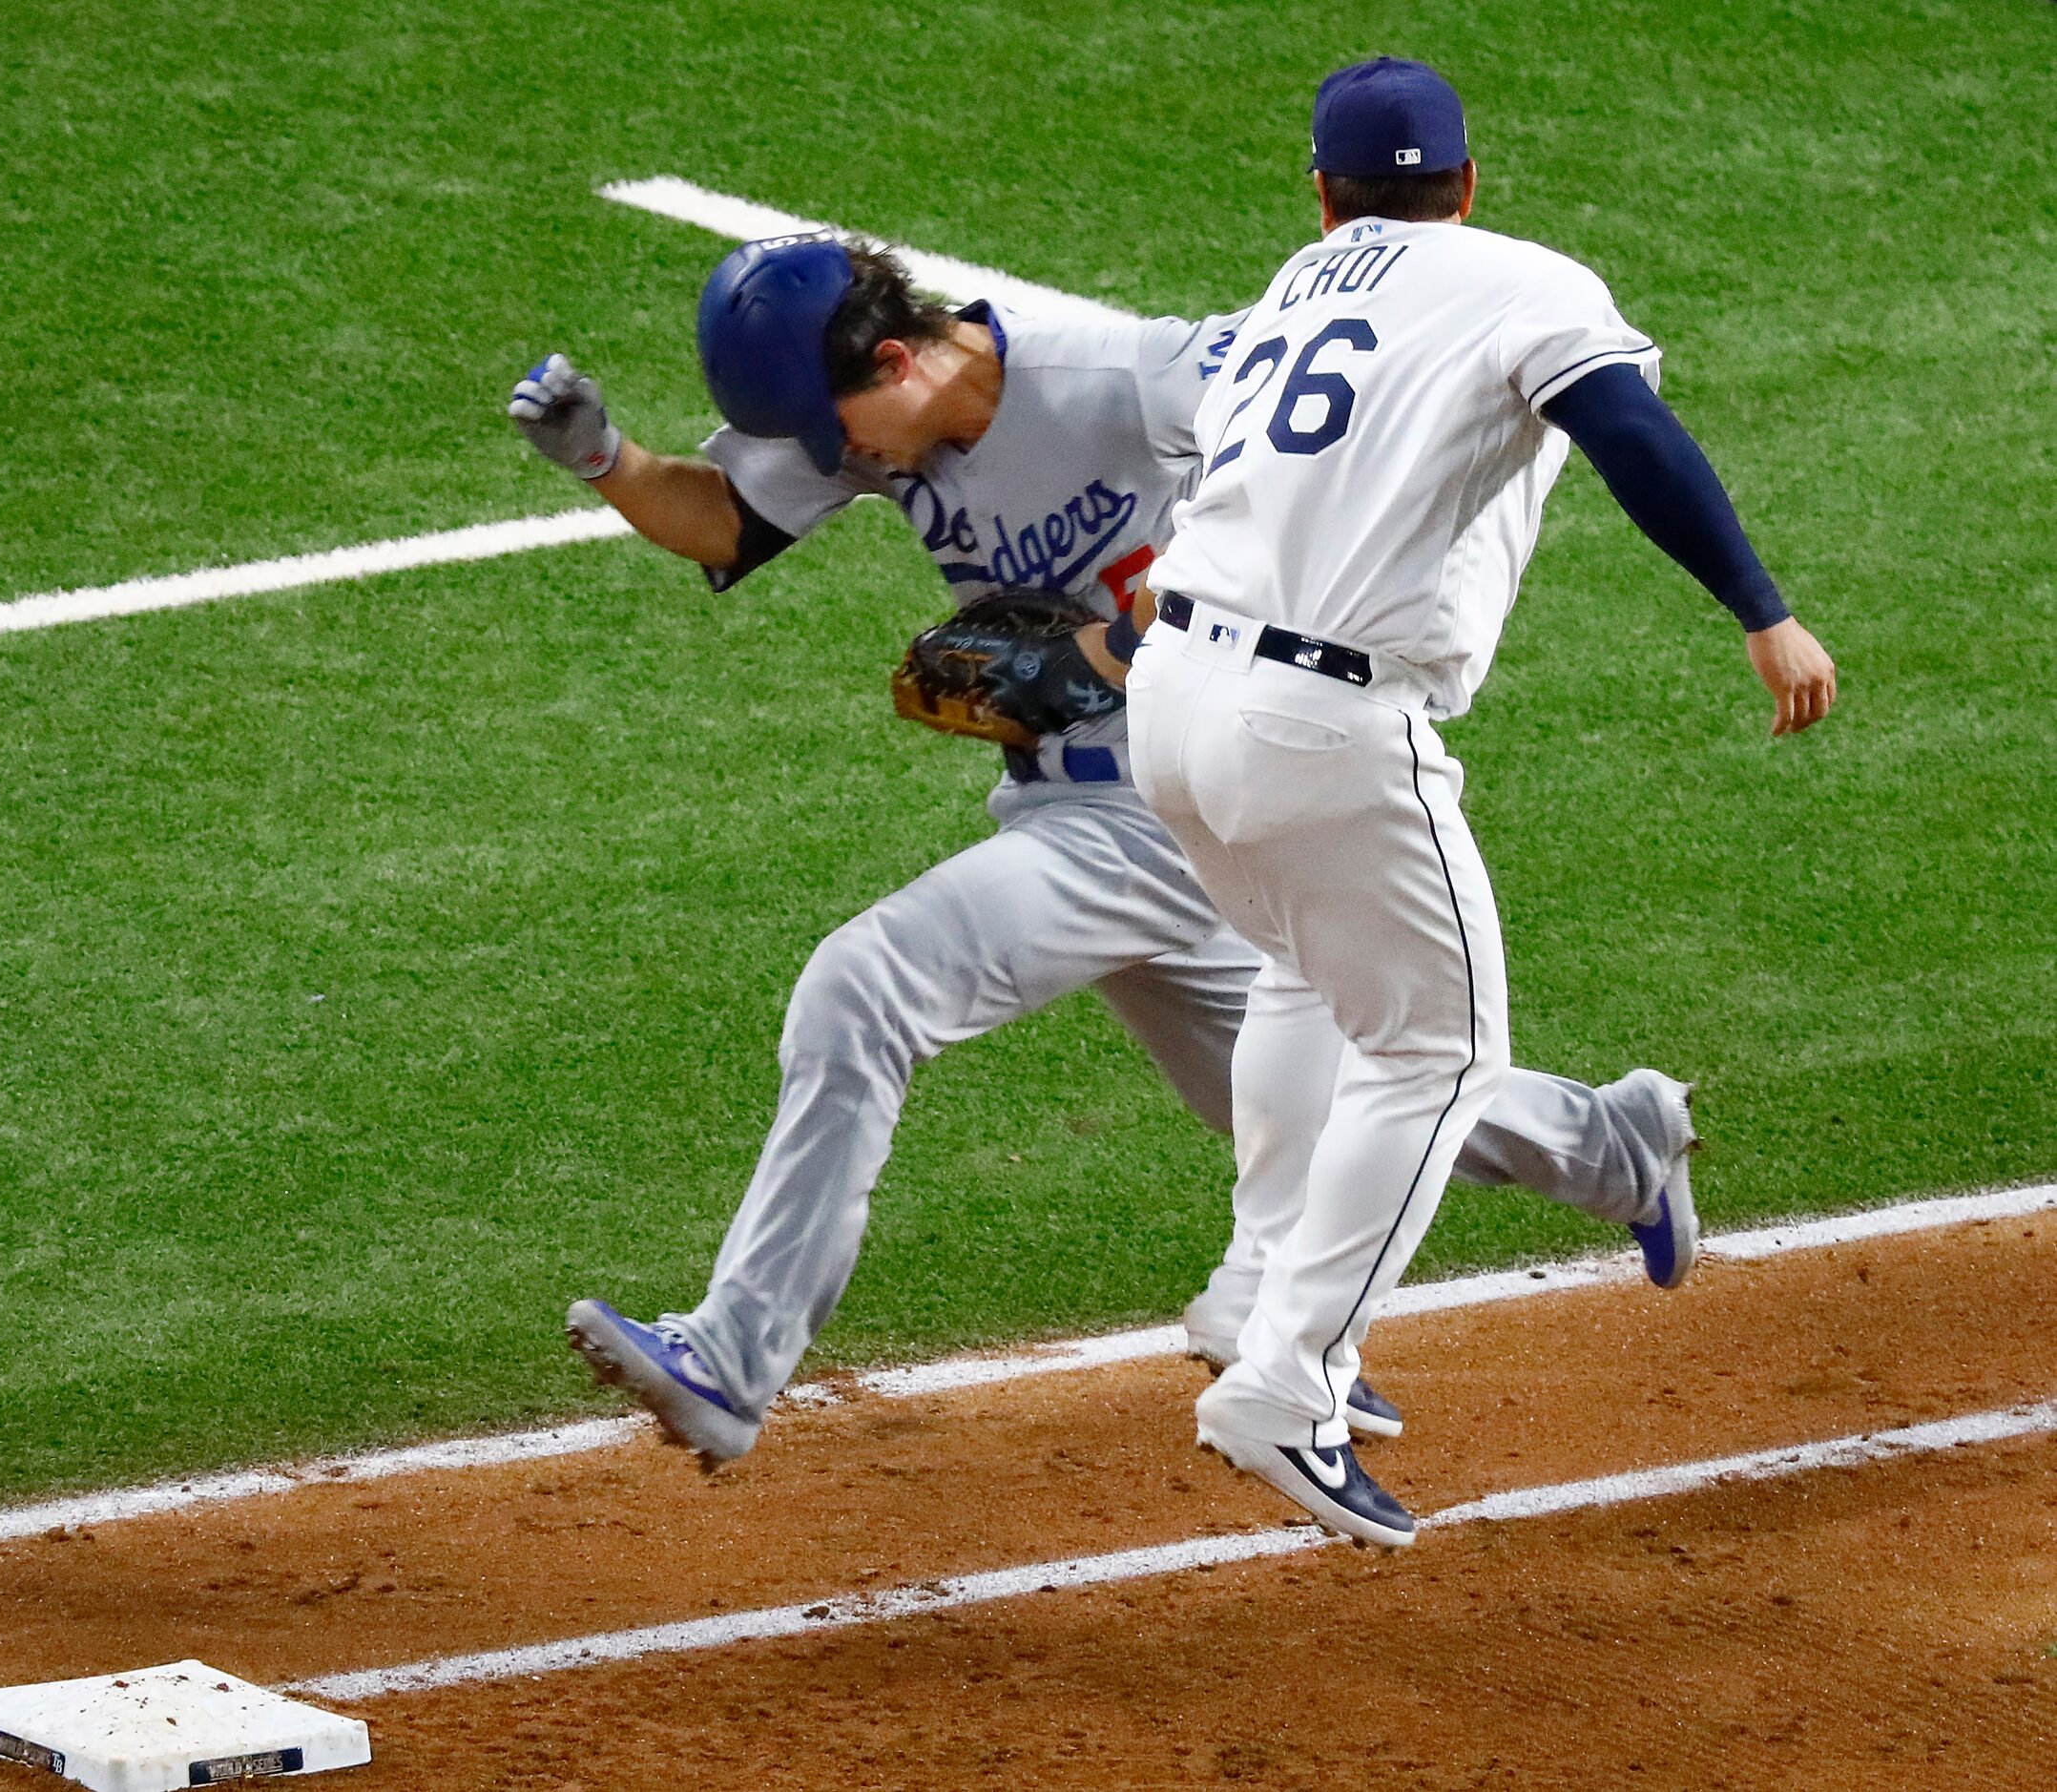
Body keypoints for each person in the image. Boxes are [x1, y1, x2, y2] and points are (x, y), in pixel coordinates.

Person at [504, 232, 1700, 1468]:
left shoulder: (1126, 374)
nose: (845, 464)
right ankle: (1615, 1146)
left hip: (1175, 793)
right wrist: (606, 457)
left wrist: (1107, 651)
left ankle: (732, 1353)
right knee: (1329, 1098)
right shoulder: (861, 411)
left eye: (845, 435)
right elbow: (724, 520)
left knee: (863, 986)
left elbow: (1312, 479)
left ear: (902, 358)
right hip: (1107, 815)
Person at [1130, 56, 1837, 1545]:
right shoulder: (1524, 279)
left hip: (1169, 699)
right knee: (1443, 1052)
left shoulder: (1297, 285)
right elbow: (1628, 431)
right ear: (1468, 180)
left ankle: (1265, 1283)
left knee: (1301, 974)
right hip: (1319, 720)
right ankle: (1289, 1378)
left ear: (1322, 192)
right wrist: (1760, 609)